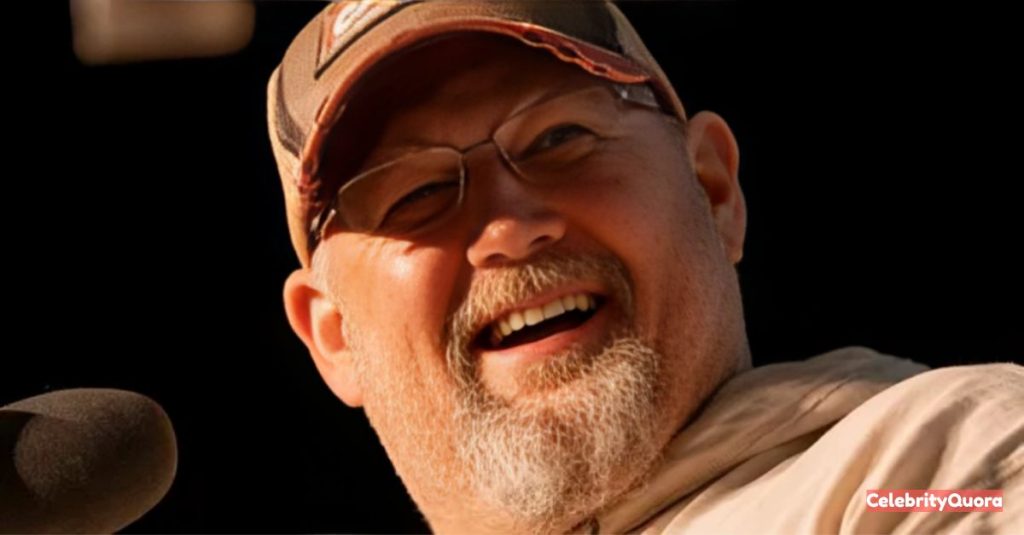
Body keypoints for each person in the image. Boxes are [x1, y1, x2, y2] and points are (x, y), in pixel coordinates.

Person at [267, 2, 1022, 533]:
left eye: (559, 138)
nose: (508, 228)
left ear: (713, 189)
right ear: (332, 336)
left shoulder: (937, 466)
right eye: (417, 195)